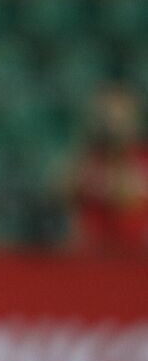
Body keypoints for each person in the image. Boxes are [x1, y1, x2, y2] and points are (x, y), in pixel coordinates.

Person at [63, 82, 148, 252]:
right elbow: (62, 191)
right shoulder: (89, 156)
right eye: (108, 118)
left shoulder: (142, 157)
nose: (113, 126)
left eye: (120, 119)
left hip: (134, 253)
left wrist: (120, 155)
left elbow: (126, 202)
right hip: (92, 251)